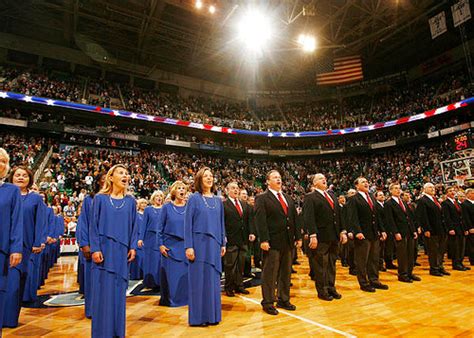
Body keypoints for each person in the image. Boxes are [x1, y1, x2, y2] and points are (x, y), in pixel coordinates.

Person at [90, 164, 138, 337]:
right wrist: (95, 248)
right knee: (103, 292)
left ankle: (117, 331)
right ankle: (102, 332)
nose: (125, 175)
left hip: (122, 252)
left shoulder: (131, 201)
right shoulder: (100, 199)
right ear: (111, 177)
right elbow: (93, 226)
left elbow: (134, 227)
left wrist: (132, 246)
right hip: (103, 251)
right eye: (121, 173)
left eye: (127, 173)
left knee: (119, 292)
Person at [255, 170, 301, 315]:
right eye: (275, 177)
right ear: (268, 181)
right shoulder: (262, 198)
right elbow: (260, 221)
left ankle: (283, 299)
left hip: (287, 242)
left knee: (285, 273)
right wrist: (263, 239)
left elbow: (294, 219)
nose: (279, 179)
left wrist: (298, 237)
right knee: (270, 273)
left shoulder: (287, 197)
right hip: (272, 242)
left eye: (280, 177)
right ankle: (268, 302)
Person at [184, 167, 226, 326]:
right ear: (199, 179)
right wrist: (188, 246)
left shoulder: (218, 200)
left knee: (213, 282)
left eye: (211, 176)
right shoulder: (194, 198)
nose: (209, 178)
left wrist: (223, 242)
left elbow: (221, 223)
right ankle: (198, 318)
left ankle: (213, 316)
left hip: (214, 246)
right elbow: (187, 224)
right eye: (205, 176)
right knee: (198, 282)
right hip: (198, 245)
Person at [4, 166, 39, 328]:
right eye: (17, 175)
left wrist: (38, 242)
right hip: (4, 243)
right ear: (11, 177)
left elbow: (39, 221)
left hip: (24, 246)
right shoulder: (5, 194)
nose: (20, 177)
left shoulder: (35, 198)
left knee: (16, 284)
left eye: (24, 175)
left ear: (29, 179)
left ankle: (10, 318)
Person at [303, 174, 347, 301]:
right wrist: (312, 235)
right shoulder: (310, 197)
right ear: (314, 183)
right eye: (320, 179)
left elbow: (339, 215)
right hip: (320, 236)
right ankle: (322, 291)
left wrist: (342, 231)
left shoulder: (332, 195)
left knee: (332, 264)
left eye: (325, 178)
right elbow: (309, 217)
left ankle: (331, 287)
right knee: (321, 265)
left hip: (333, 235)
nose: (324, 180)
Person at [346, 177, 388, 292]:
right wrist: (357, 231)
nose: (366, 183)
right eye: (363, 182)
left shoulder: (371, 198)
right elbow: (352, 217)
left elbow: (377, 216)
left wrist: (382, 230)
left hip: (374, 233)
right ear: (357, 185)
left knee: (374, 259)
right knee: (362, 260)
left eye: (367, 182)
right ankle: (364, 283)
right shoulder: (353, 199)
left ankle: (374, 280)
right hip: (362, 234)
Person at [76, 172, 106, 319]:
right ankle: (93, 311)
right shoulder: (90, 199)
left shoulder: (119, 200)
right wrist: (85, 244)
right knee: (93, 280)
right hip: (93, 246)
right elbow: (84, 222)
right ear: (98, 182)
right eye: (103, 179)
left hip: (110, 246)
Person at [0, 148, 23, 331]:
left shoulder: (12, 191)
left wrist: (16, 248)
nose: (0, 164)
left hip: (2, 251)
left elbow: (16, 222)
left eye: (3, 161)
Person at [158, 181, 188, 307]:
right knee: (172, 278)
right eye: (179, 188)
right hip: (170, 247)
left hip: (185, 246)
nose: (182, 190)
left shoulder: (189, 207)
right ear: (174, 191)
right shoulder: (166, 207)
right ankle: (171, 300)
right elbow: (159, 228)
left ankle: (186, 299)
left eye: (184, 188)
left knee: (185, 277)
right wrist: (160, 244)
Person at [223, 182, 254, 297]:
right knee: (230, 265)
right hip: (231, 239)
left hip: (243, 239)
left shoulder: (244, 204)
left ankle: (239, 285)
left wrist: (251, 232)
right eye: (233, 188)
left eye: (237, 188)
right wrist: (224, 236)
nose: (236, 190)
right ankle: (229, 287)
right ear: (227, 190)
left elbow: (248, 220)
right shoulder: (224, 205)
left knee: (241, 264)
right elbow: (222, 223)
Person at [384, 183, 420, 283]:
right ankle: (403, 274)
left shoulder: (403, 202)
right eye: (395, 188)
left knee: (410, 253)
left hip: (409, 231)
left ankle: (410, 272)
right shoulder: (389, 203)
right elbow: (390, 219)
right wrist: (395, 232)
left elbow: (409, 218)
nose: (398, 190)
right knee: (402, 254)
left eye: (399, 188)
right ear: (390, 191)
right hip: (400, 232)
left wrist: (414, 230)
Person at [416, 182, 448, 277]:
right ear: (424, 189)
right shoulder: (422, 200)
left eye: (433, 187)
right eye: (430, 187)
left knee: (441, 249)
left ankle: (440, 266)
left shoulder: (435, 199)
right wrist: (426, 229)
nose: (433, 189)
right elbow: (422, 216)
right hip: (431, 229)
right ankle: (434, 268)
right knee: (433, 250)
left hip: (441, 228)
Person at [139, 190, 164, 289]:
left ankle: (159, 282)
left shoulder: (165, 208)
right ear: (153, 198)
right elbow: (144, 225)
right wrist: (141, 238)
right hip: (149, 238)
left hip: (161, 238)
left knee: (159, 260)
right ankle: (150, 282)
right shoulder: (148, 210)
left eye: (161, 196)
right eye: (157, 196)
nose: (159, 198)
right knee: (150, 260)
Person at [442, 186, 469, 271]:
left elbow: (462, 216)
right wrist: (450, 228)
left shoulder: (456, 202)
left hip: (461, 227)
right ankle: (456, 264)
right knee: (456, 247)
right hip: (454, 227)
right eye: (450, 191)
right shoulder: (445, 203)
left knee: (462, 246)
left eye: (453, 191)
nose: (452, 192)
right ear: (447, 193)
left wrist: (465, 228)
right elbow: (447, 217)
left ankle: (460, 262)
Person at [130, 198, 147, 280]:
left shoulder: (147, 214)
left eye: (145, 203)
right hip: (137, 235)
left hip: (146, 236)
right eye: (142, 203)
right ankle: (136, 274)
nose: (144, 205)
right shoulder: (136, 215)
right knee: (138, 255)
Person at [461, 188, 474, 266]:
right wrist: (470, 227)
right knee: (472, 245)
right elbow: (466, 217)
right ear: (468, 194)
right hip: (471, 227)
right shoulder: (465, 204)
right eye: (472, 193)